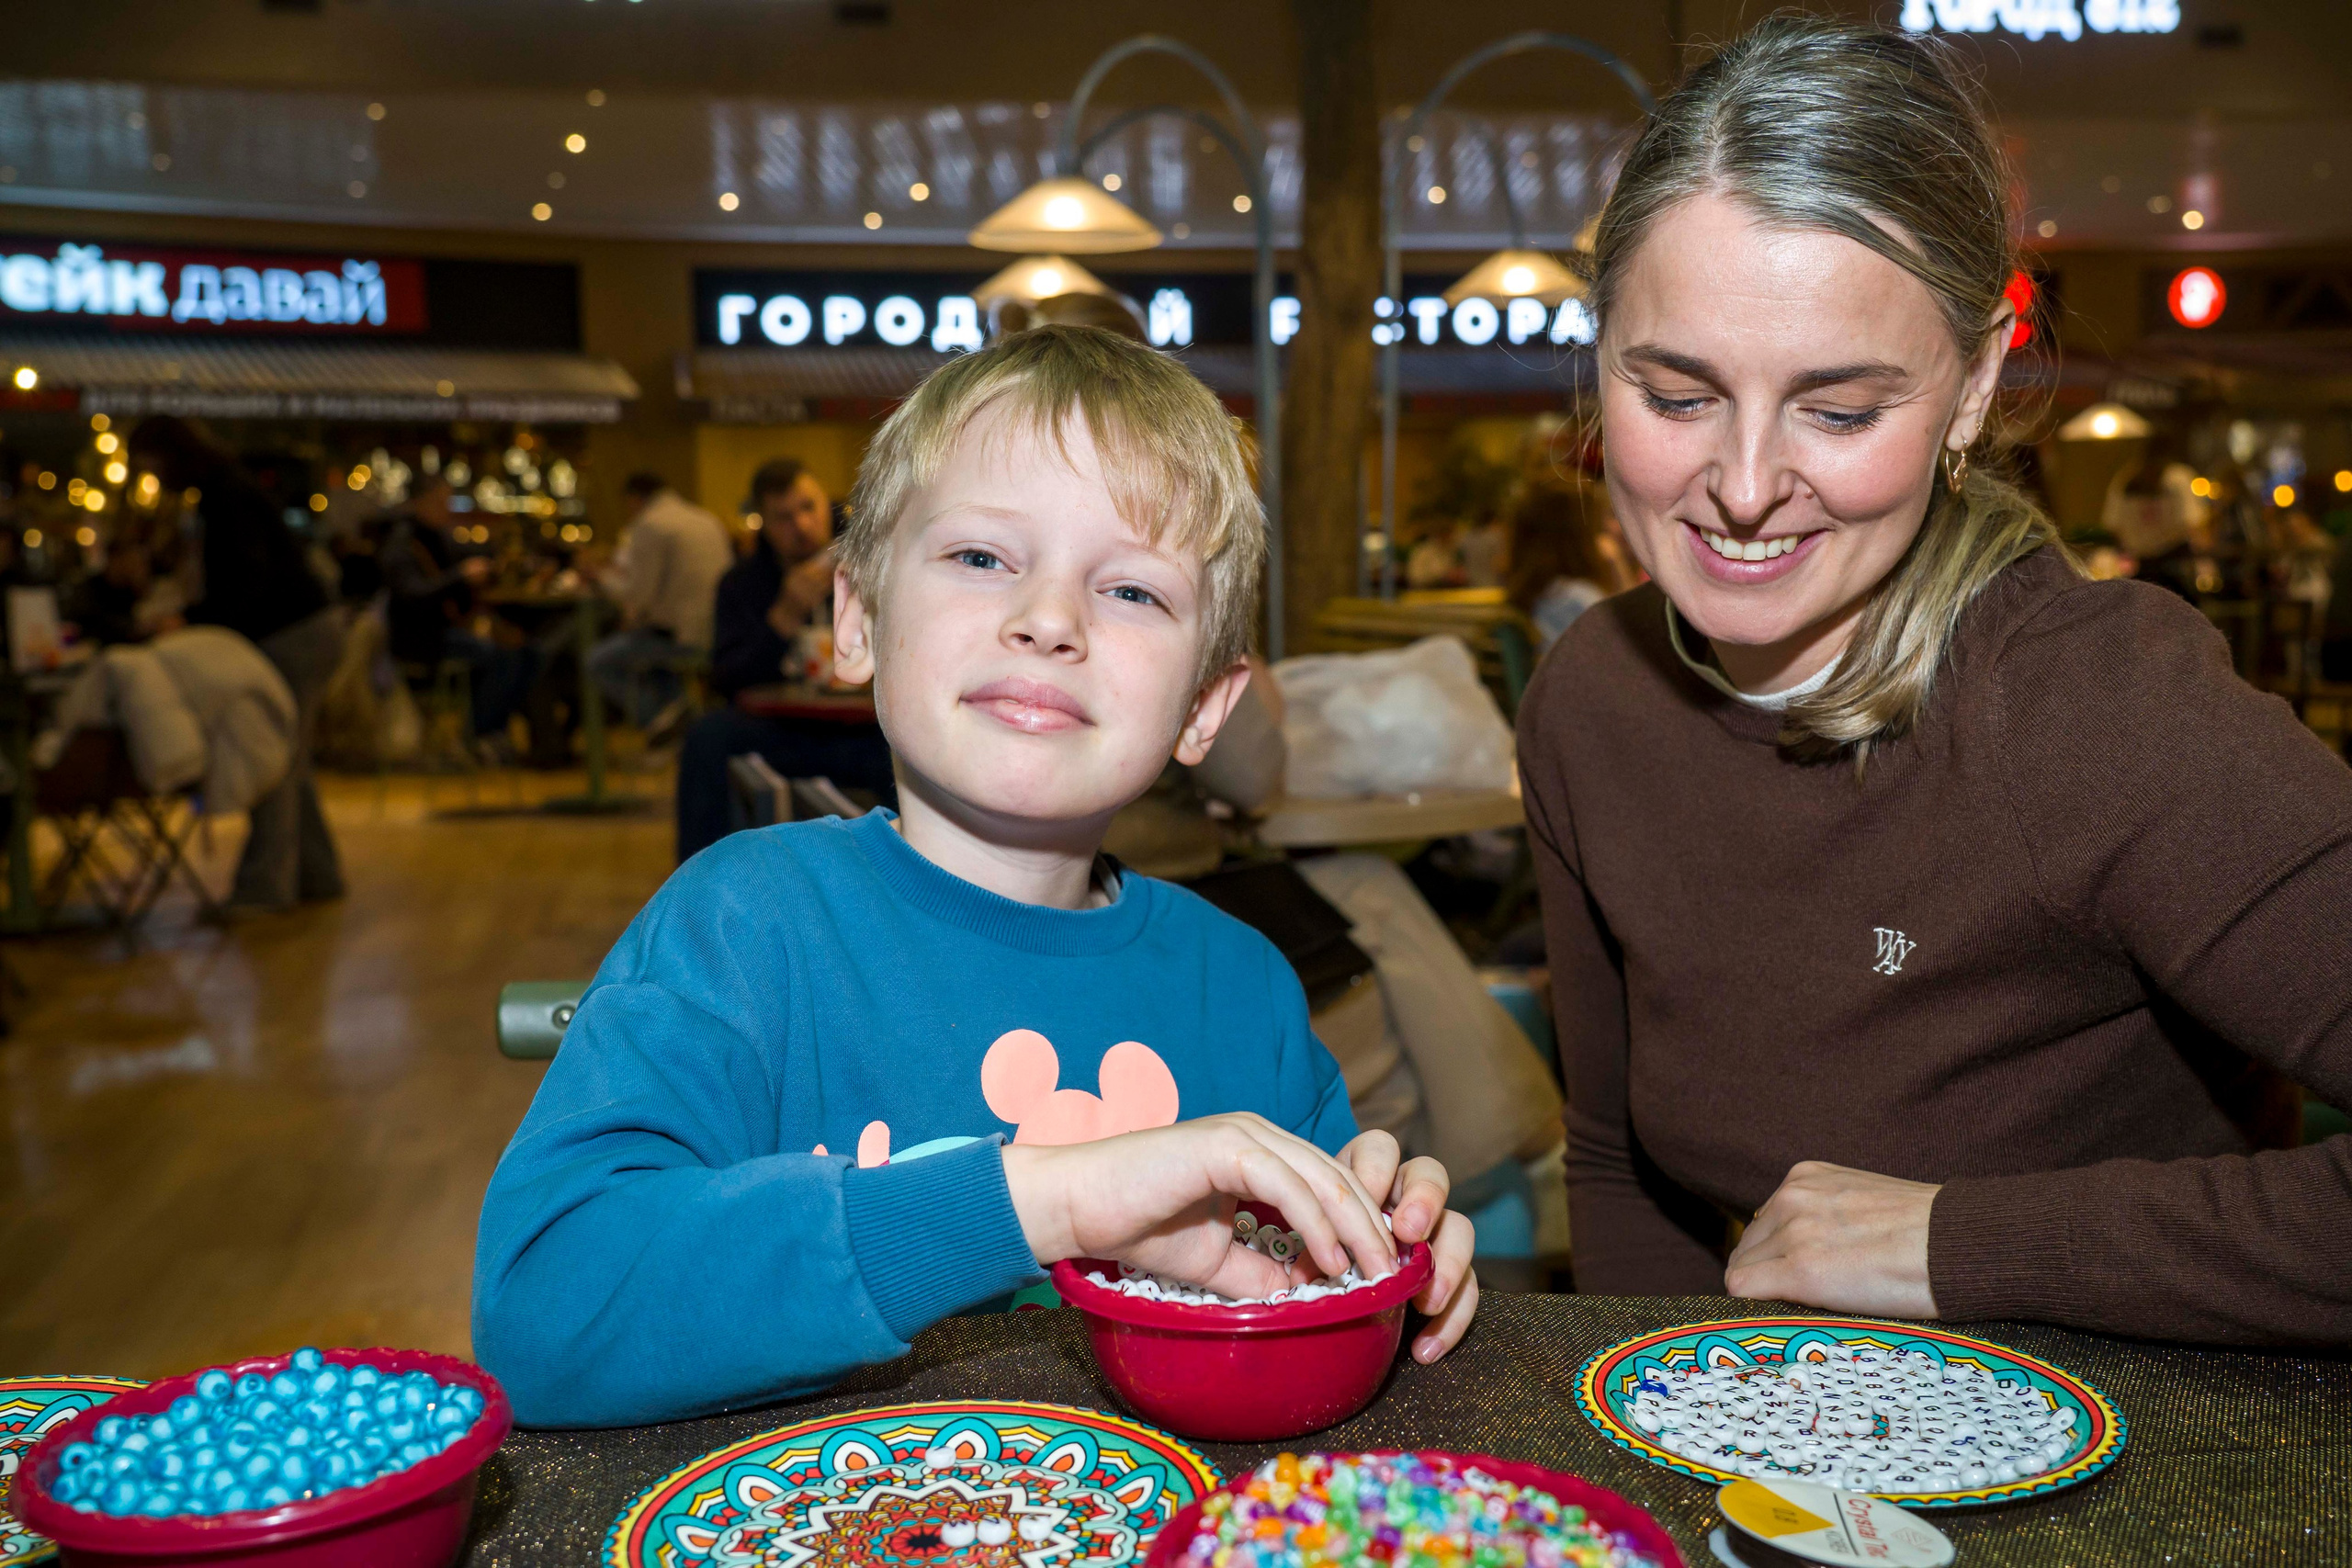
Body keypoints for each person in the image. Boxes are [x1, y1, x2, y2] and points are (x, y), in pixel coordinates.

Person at [474, 325, 1479, 1427]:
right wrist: (1049, 1196)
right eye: (982, 558)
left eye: (1132, 592)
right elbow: (542, 1315)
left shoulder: (1243, 989)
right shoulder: (742, 925)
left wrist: (1378, 1263)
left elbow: (1303, 1314)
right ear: (856, 619)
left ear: (1202, 707)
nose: (1047, 620)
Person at [1518, 17, 2350, 1346]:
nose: (1741, 485)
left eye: (1840, 411)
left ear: (1972, 390)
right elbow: (1618, 1163)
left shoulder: (2100, 710)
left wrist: (1960, 1241)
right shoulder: (1590, 699)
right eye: (1675, 394)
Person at [125, 417, 344, 915]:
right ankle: (317, 875)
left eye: (150, 466)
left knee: (273, 758)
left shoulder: (223, 495)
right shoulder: (227, 487)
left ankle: (266, 887)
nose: (152, 478)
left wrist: (195, 622)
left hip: (292, 634)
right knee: (288, 758)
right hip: (306, 627)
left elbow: (248, 580)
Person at [673, 457, 896, 861]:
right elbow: (726, 677)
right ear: (764, 525)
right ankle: (700, 881)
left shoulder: (871, 566)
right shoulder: (742, 583)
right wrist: (783, 619)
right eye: (784, 518)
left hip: (860, 729)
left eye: (808, 508)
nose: (802, 526)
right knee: (706, 738)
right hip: (781, 729)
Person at [380, 477, 537, 755]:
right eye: (440, 502)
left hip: (445, 631)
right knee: (504, 656)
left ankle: (490, 732)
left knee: (528, 653)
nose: (447, 510)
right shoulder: (401, 543)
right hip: (419, 640)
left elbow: (469, 559)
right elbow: (415, 595)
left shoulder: (437, 536)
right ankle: (476, 736)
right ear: (419, 503)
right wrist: (460, 577)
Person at [587, 472, 736, 739]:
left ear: (634, 499)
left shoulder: (650, 524)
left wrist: (599, 578)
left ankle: (661, 721)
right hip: (719, 633)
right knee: (653, 658)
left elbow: (638, 595)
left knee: (597, 660)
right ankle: (679, 717)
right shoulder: (705, 518)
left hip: (681, 638)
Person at [1505, 477, 1637, 648]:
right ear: (1579, 536)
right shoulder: (1579, 599)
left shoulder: (1535, 596)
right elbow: (1634, 650)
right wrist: (1618, 565)